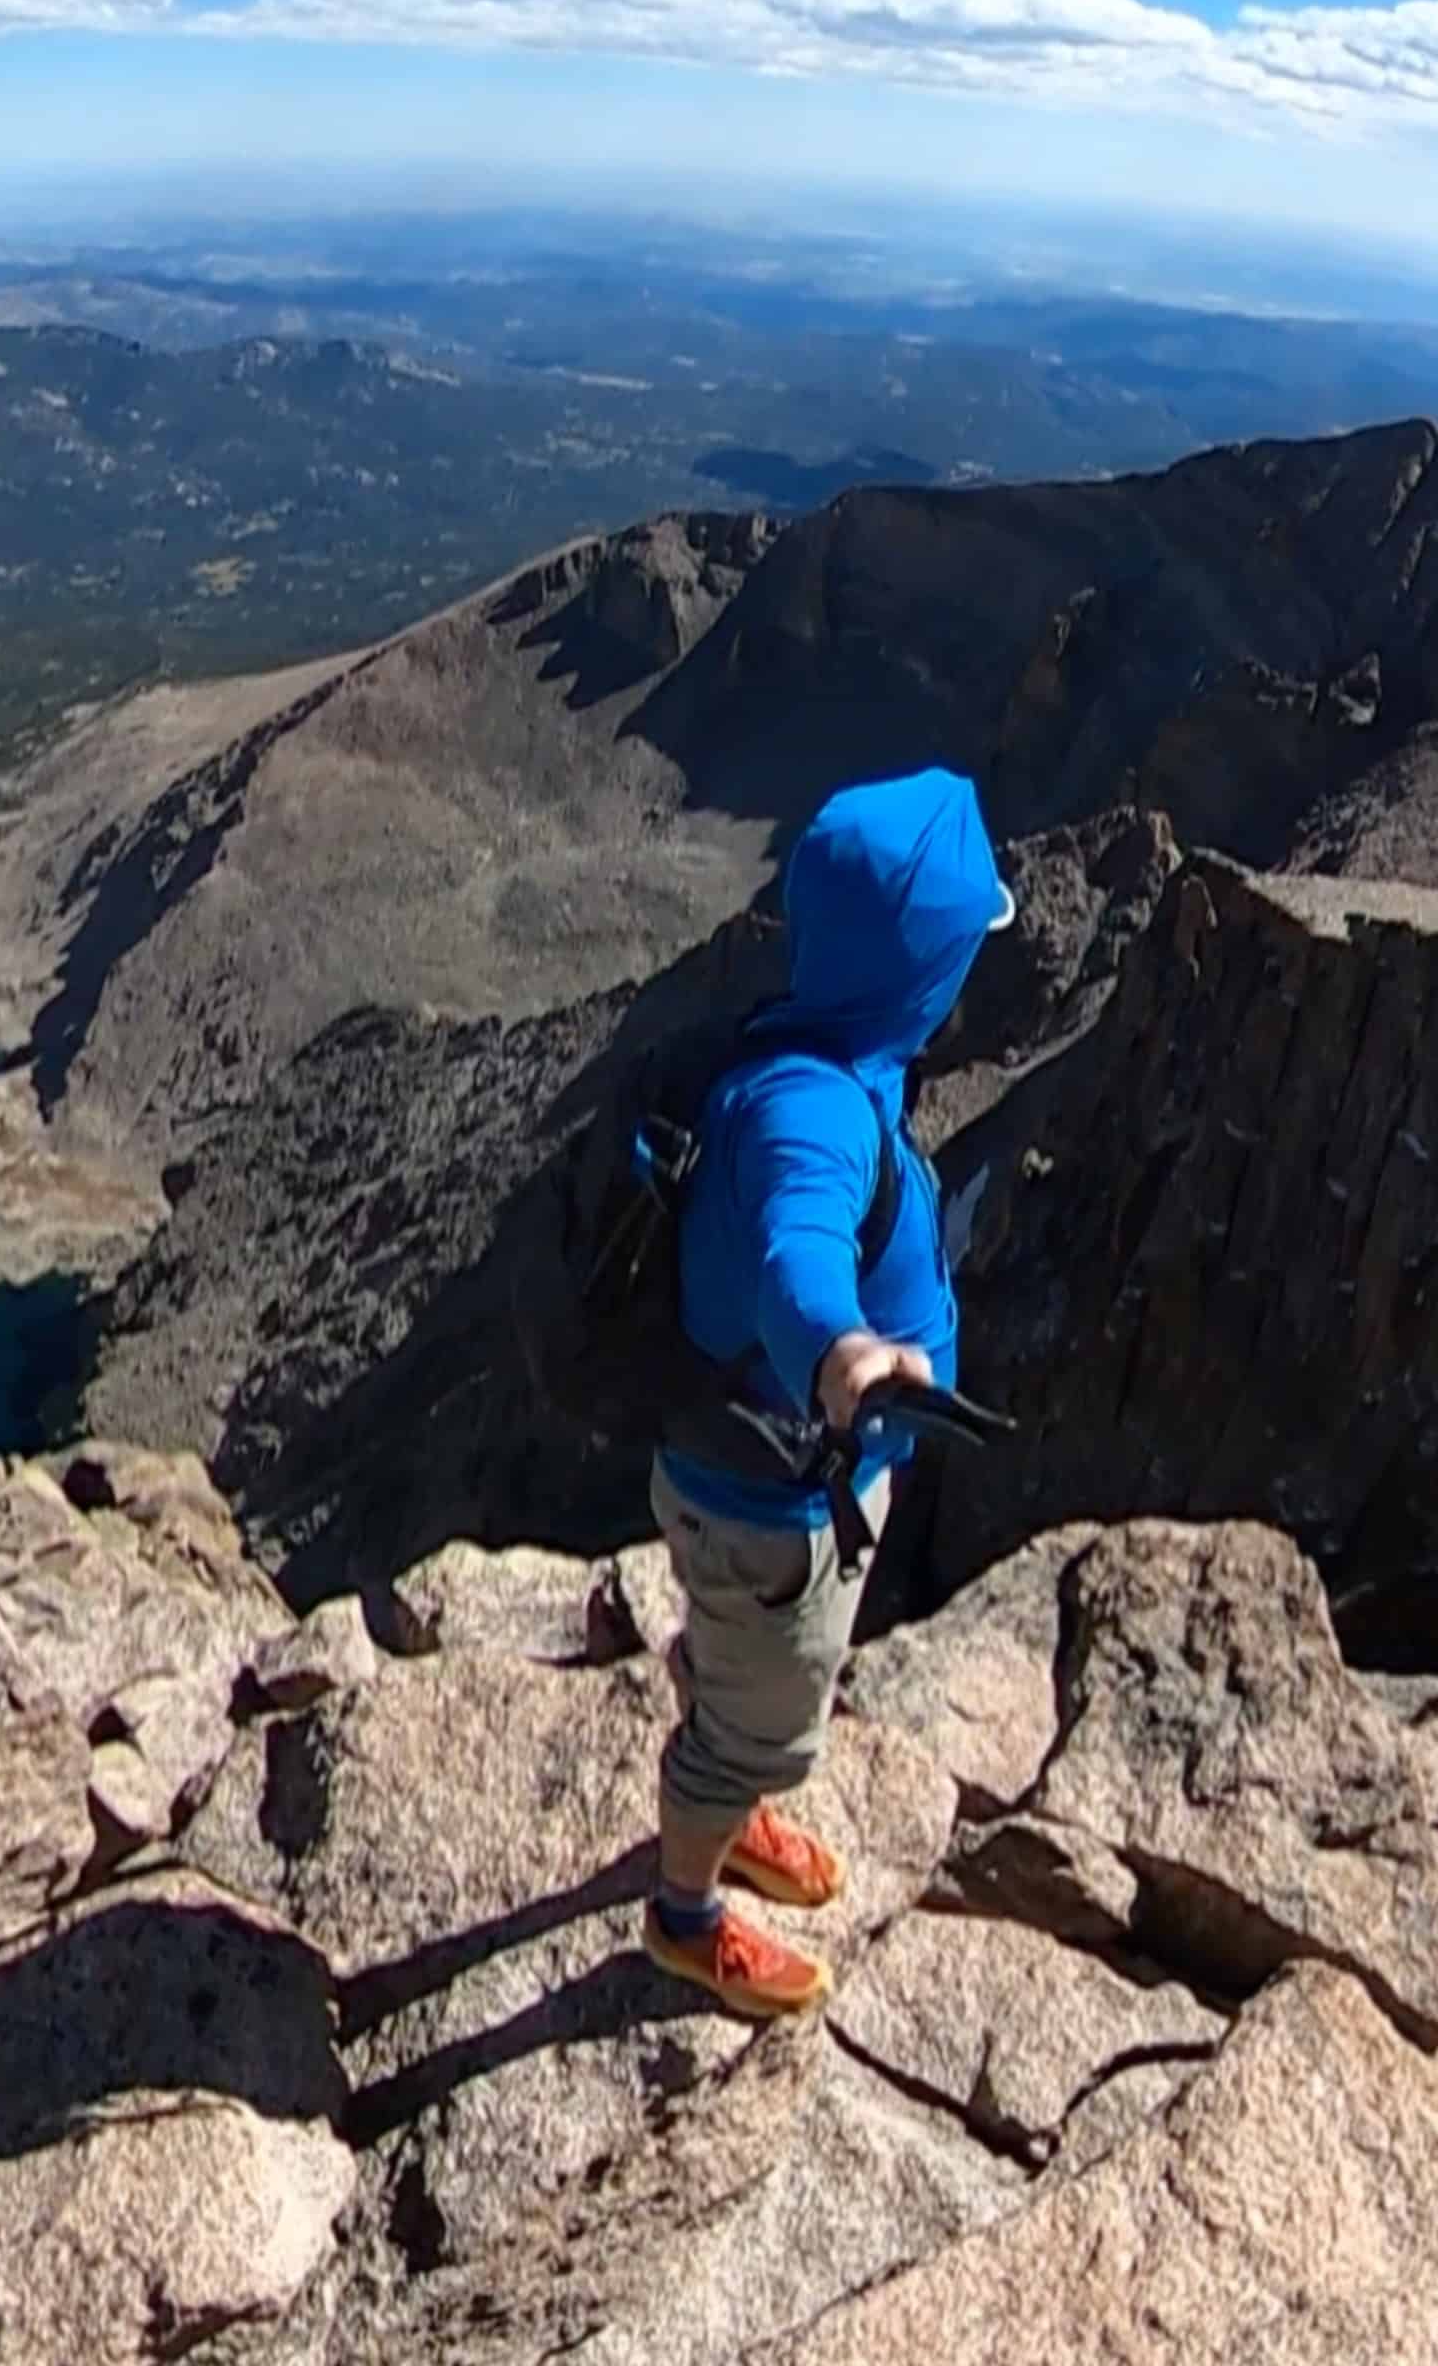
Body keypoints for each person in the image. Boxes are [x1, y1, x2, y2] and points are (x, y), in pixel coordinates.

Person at [639, 765, 1011, 2021]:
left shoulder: (825, 1045)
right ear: (925, 970)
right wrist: (846, 1354)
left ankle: (725, 1760)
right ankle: (686, 1907)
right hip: (772, 1511)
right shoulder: (813, 1111)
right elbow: (799, 1253)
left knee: (740, 1673)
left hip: (735, 1483)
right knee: (766, 1723)